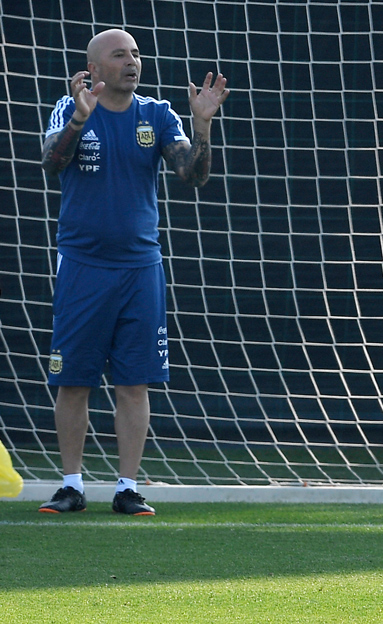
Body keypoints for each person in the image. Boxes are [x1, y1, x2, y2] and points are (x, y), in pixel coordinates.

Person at [38, 28, 229, 515]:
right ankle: (72, 485)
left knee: (134, 382)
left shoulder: (158, 114)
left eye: (136, 54)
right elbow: (51, 163)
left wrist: (202, 124)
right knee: (73, 380)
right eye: (120, 54)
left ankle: (127, 487)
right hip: (82, 265)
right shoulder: (70, 108)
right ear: (94, 68)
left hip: (140, 268)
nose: (132, 62)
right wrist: (80, 118)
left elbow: (192, 175)